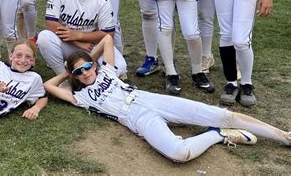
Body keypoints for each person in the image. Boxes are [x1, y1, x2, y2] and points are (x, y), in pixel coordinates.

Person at [44, 34, 290, 163]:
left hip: (148, 97)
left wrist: (87, 59)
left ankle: (284, 136)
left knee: (225, 114)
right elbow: (48, 85)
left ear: (94, 66)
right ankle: (218, 135)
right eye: (79, 72)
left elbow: (106, 40)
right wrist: (68, 71)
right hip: (136, 117)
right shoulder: (81, 96)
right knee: (178, 153)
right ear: (73, 75)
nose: (85, 73)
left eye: (87, 67)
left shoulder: (106, 69)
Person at [37, 0, 127, 78]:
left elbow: (108, 34)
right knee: (44, 38)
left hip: (92, 46)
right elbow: (50, 23)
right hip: (68, 43)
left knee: (120, 68)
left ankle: (94, 81)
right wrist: (76, 41)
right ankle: (64, 78)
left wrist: (79, 35)